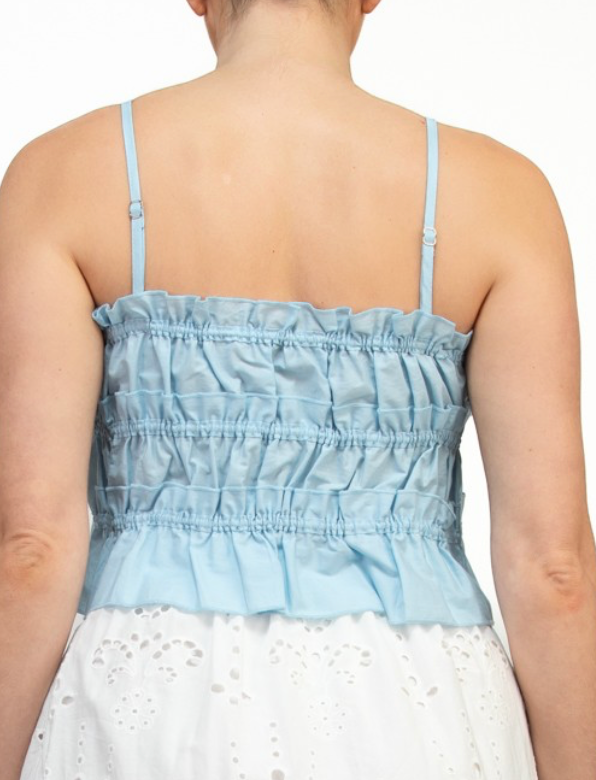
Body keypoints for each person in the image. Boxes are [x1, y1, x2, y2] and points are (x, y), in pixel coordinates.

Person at [1, 0, 594, 778]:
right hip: (420, 708)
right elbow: (553, 568)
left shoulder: (62, 174)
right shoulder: (503, 195)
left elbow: (31, 548)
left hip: (150, 695)